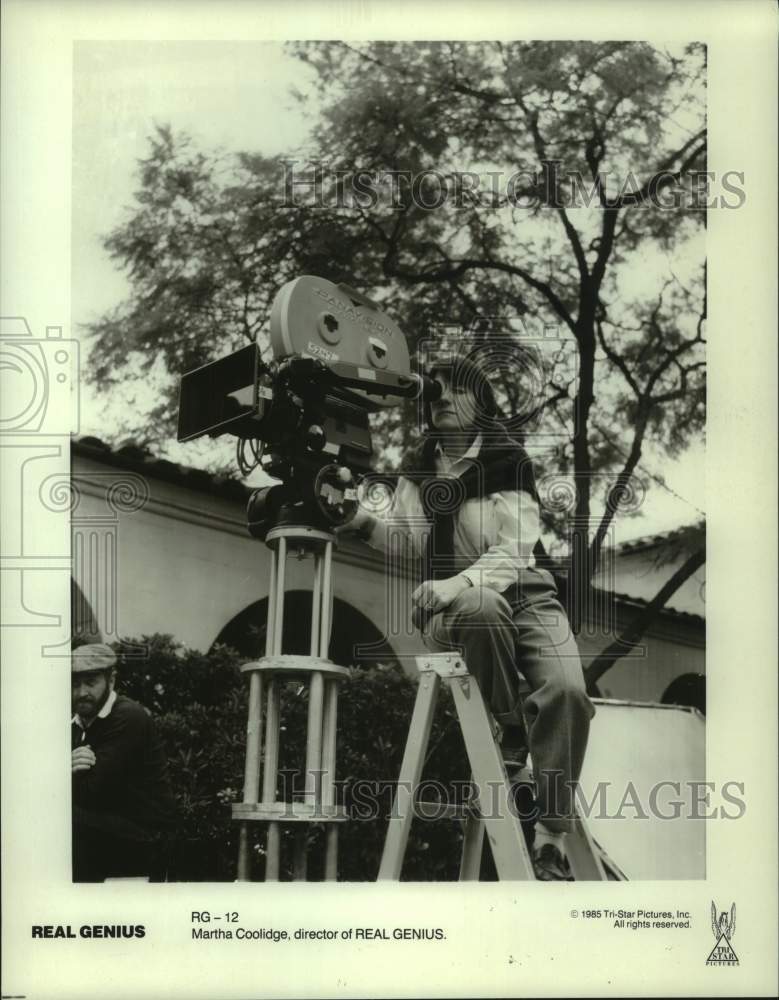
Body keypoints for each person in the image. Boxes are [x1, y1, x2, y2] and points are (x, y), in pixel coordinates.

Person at [347, 355, 595, 880]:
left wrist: (457, 581)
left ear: (481, 402)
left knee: (569, 691)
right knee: (479, 606)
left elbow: (516, 550)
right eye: (434, 391)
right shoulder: (418, 472)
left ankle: (551, 834)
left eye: (456, 389)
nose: (441, 397)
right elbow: (409, 541)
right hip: (457, 611)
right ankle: (509, 736)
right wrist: (358, 520)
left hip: (528, 596)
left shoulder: (508, 462)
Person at [71, 643, 177, 881]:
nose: (81, 692)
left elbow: (91, 792)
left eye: (90, 682)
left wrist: (65, 774)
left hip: (145, 836)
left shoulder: (127, 717)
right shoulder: (78, 723)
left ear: (111, 680)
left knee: (58, 816)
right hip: (109, 830)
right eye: (75, 683)